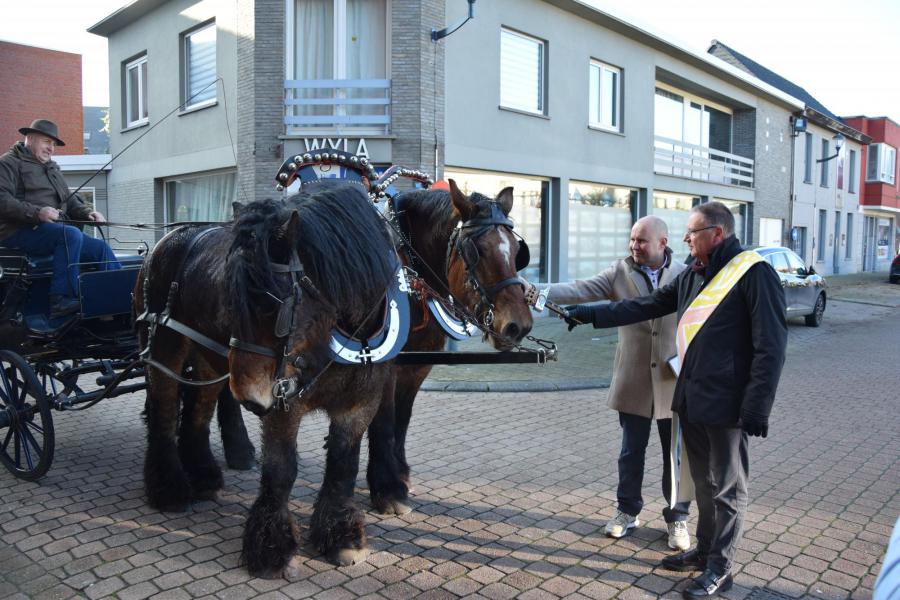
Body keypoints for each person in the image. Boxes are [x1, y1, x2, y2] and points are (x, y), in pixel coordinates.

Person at [565, 202, 787, 599]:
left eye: (693, 232)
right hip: (692, 400)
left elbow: (771, 347)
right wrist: (589, 314)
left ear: (717, 233)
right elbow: (645, 305)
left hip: (730, 406)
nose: (686, 239)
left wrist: (757, 406)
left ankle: (721, 568)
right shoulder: (694, 275)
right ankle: (704, 552)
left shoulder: (754, 274)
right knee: (702, 483)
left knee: (728, 491)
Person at [526, 215, 692, 551]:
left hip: (672, 380)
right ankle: (627, 512)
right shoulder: (619, 271)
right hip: (633, 377)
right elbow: (578, 289)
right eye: (632, 239)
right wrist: (532, 292)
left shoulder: (686, 275)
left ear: (663, 242)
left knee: (675, 456)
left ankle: (678, 518)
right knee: (631, 452)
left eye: (642, 240)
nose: (634, 246)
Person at [0, 119, 120, 317]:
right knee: (70, 235)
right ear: (30, 138)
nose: (51, 148)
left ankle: (118, 297)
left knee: (100, 248)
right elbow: (2, 200)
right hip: (18, 232)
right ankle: (61, 299)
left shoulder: (52, 168)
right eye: (47, 142)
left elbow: (69, 199)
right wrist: (38, 213)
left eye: (54, 144)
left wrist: (86, 213)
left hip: (53, 233)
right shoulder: (8, 163)